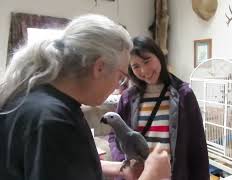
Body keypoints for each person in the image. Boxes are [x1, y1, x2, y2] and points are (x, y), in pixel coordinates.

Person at [0, 14, 171, 180]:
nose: (118, 87)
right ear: (100, 67)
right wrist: (152, 175)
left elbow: (58, 164)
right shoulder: (53, 122)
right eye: (120, 77)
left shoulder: (27, 98)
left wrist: (118, 168)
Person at [108, 36, 209, 180]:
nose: (144, 70)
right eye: (136, 66)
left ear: (159, 56)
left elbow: (197, 144)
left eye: (147, 61)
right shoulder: (128, 98)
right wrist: (125, 162)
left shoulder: (183, 95)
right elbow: (114, 136)